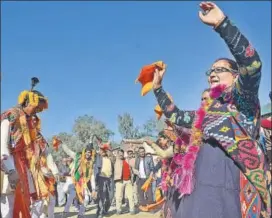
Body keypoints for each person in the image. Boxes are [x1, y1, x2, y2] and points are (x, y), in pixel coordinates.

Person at [149, 2, 270, 217]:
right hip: (198, 196)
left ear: (235, 75)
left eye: (220, 69)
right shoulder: (205, 115)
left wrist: (223, 25)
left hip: (228, 196)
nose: (212, 74)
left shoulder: (243, 102)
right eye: (210, 71)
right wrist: (158, 88)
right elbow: (175, 115)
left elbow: (252, 65)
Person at [1, 77, 49, 218]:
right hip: (8, 166)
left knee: (30, 201)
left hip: (24, 166)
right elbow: (3, 144)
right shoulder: (12, 115)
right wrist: (10, 170)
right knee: (8, 207)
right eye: (37, 107)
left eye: (40, 110)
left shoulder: (30, 123)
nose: (38, 111)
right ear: (28, 102)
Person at [58, 139, 97, 218]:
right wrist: (62, 144)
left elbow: (92, 177)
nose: (88, 154)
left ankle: (80, 214)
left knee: (86, 198)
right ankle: (66, 211)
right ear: (84, 152)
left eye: (90, 152)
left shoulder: (91, 164)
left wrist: (93, 189)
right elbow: (68, 151)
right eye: (87, 152)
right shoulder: (77, 156)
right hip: (73, 180)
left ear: (91, 154)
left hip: (83, 183)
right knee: (69, 192)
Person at [94, 143, 114, 218]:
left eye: (104, 150)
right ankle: (99, 212)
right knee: (102, 196)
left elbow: (112, 156)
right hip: (101, 178)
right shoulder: (98, 157)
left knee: (111, 196)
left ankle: (105, 209)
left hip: (110, 178)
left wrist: (109, 148)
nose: (103, 151)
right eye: (101, 150)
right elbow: (92, 150)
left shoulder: (110, 158)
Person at [114, 149, 136, 215]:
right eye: (119, 154)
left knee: (131, 196)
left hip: (128, 180)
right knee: (118, 196)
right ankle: (118, 210)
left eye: (122, 153)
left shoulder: (127, 160)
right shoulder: (115, 160)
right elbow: (110, 155)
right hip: (119, 181)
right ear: (117, 154)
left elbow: (132, 168)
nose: (121, 155)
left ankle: (132, 209)